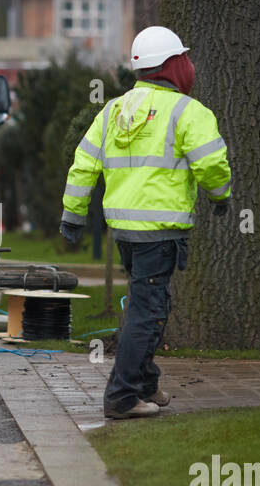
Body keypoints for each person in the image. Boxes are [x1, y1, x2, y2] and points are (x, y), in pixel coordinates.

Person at [61, 26, 231, 420]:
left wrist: (73, 213)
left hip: (124, 230)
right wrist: (222, 197)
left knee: (151, 301)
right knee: (147, 309)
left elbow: (84, 162)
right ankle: (121, 398)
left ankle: (145, 382)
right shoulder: (188, 111)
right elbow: (211, 164)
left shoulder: (114, 109)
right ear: (174, 66)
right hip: (160, 232)